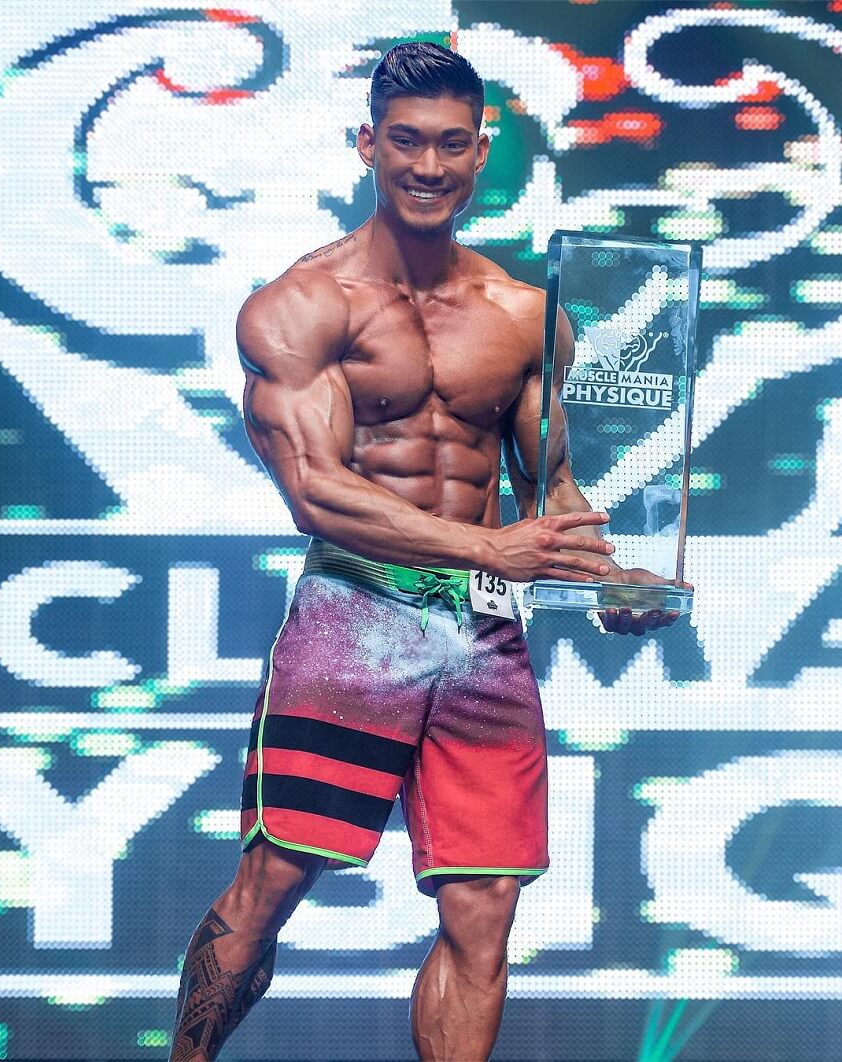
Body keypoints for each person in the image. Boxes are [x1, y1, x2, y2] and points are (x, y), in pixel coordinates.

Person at [170, 41, 683, 1062]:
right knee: (272, 882)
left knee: (486, 905)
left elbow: (552, 489)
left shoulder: (527, 316)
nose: (428, 166)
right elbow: (317, 493)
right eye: (406, 141)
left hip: (483, 634)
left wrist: (608, 576)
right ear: (368, 143)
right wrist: (491, 545)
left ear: (480, 154)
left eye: (452, 145)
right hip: (354, 622)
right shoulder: (302, 305)